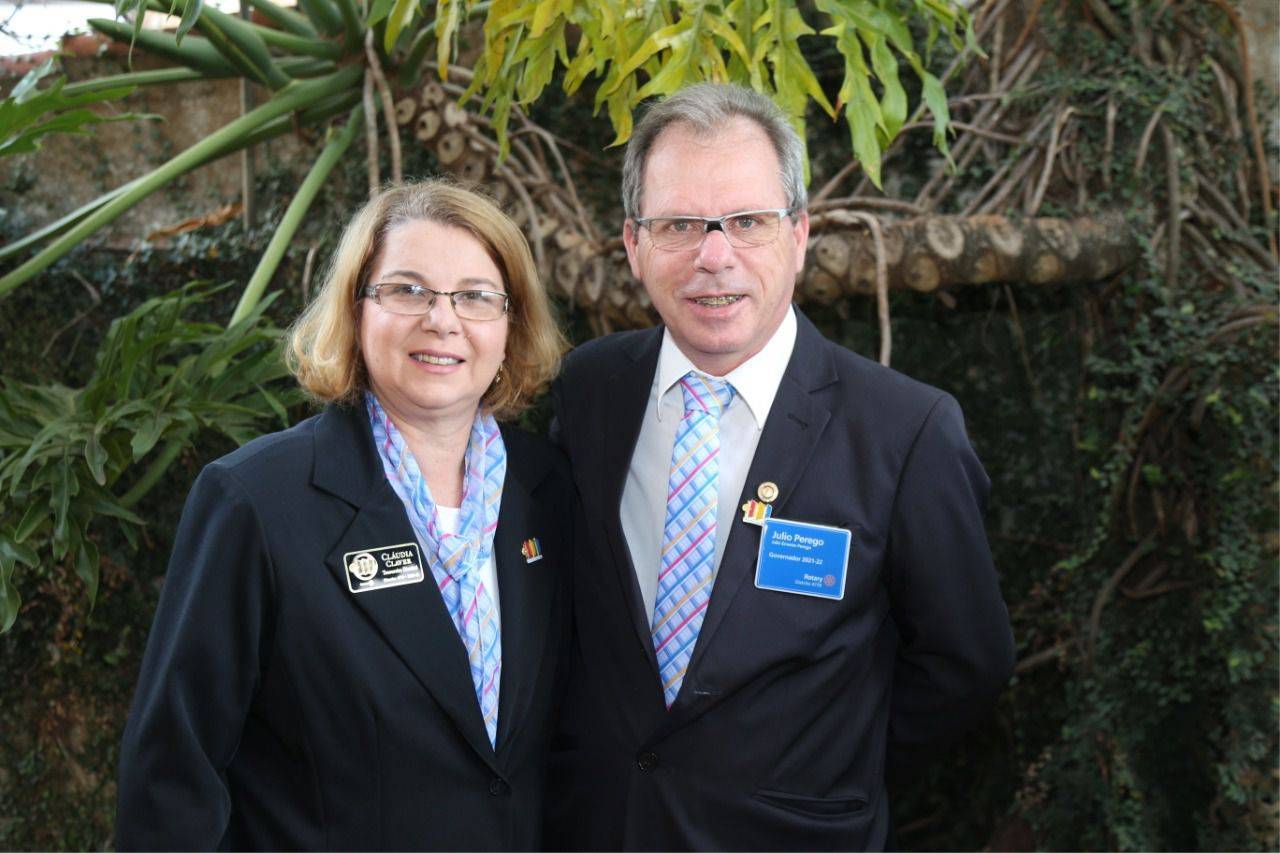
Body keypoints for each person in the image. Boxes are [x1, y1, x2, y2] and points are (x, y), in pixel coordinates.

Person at [545, 83, 1016, 850]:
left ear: (799, 234)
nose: (714, 255)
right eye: (679, 225)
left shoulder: (906, 432)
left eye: (748, 221)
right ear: (633, 245)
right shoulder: (589, 391)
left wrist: (829, 772)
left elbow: (968, 663)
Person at [116, 180, 571, 850]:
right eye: (407, 289)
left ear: (511, 324)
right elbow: (171, 776)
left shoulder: (552, 489)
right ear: (356, 309)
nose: (442, 320)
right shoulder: (257, 501)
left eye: (475, 295)